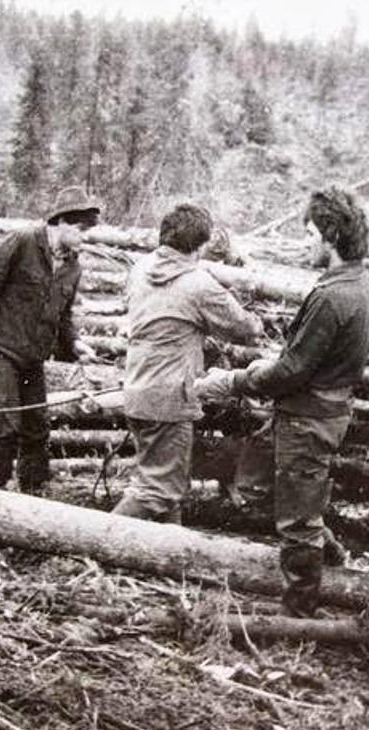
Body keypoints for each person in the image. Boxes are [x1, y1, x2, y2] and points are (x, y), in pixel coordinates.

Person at [193, 187, 369, 617]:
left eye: (311, 232)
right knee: (257, 487)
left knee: (296, 521)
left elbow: (292, 373)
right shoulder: (356, 282)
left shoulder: (335, 296)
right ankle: (329, 554)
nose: (306, 241)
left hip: (310, 419)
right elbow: (304, 360)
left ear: (331, 235)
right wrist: (274, 364)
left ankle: (299, 611)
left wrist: (235, 379)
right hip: (306, 413)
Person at [112, 204, 263, 524]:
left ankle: (172, 558)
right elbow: (244, 327)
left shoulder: (140, 269)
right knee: (157, 492)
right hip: (170, 397)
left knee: (168, 485)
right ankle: (91, 541)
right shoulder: (198, 283)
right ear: (201, 245)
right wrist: (255, 318)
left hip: (138, 388)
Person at [0, 186, 100, 494]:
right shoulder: (22, 242)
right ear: (61, 222)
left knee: (38, 426)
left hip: (33, 356)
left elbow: (63, 314)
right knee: (9, 424)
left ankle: (34, 490)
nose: (85, 236)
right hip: (1, 347)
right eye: (80, 229)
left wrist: (75, 343)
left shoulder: (72, 266)